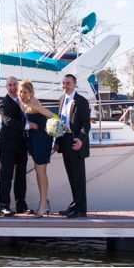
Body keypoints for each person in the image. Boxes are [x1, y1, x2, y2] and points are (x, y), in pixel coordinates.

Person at [17, 79, 58, 217]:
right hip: (33, 139)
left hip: (41, 139)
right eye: (21, 91)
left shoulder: (34, 102)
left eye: (25, 92)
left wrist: (62, 122)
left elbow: (50, 114)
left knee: (41, 172)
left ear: (31, 93)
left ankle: (43, 205)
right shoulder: (24, 103)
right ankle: (44, 202)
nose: (22, 94)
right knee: (38, 171)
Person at [56, 73, 91, 218]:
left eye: (68, 83)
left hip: (76, 141)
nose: (65, 86)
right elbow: (59, 121)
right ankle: (74, 204)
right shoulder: (61, 99)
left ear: (75, 84)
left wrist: (81, 140)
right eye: (63, 83)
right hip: (65, 141)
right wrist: (57, 142)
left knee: (78, 176)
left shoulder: (81, 101)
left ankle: (81, 209)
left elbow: (86, 124)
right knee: (71, 175)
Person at [0, 75, 30, 216]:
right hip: (7, 145)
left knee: (21, 176)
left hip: (22, 145)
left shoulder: (23, 101)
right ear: (6, 87)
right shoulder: (4, 103)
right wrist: (28, 126)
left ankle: (21, 205)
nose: (13, 88)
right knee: (6, 175)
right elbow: (9, 121)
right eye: (10, 85)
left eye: (15, 84)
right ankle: (3, 206)